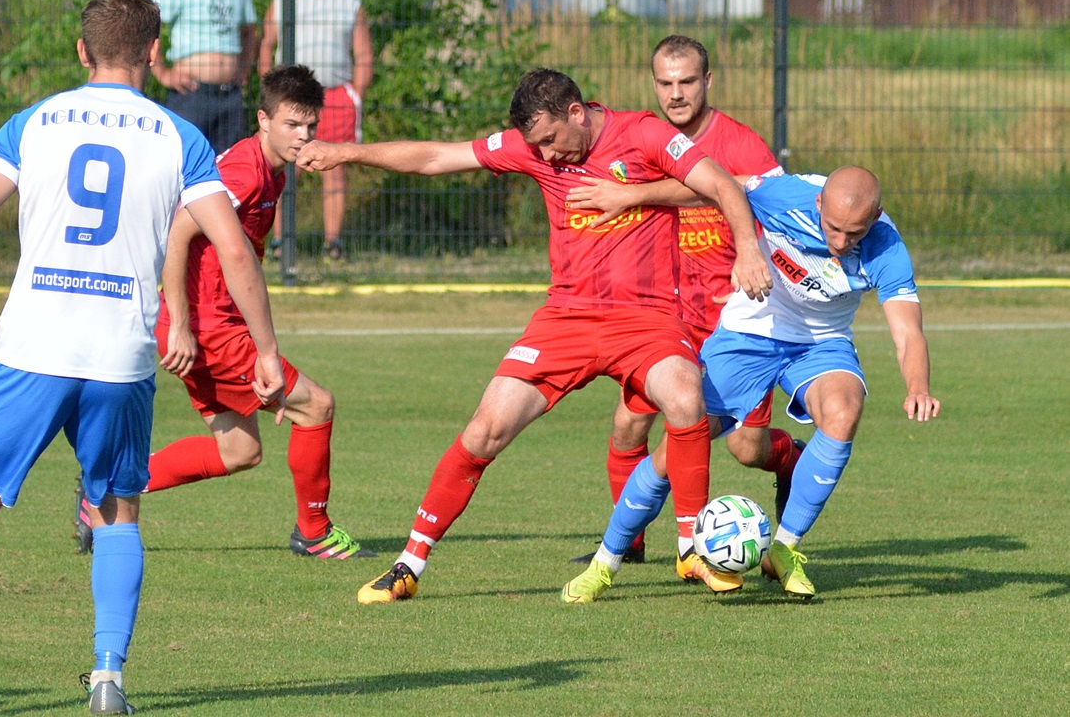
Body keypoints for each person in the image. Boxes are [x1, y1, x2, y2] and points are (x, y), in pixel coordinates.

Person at [0, 0, 284, 717]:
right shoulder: (179, 137)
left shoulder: (34, 123)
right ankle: (108, 676)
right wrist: (265, 349)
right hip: (120, 356)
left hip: (32, 349)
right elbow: (234, 249)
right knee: (116, 513)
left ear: (82, 52)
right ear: (153, 52)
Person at [297, 68, 774, 604]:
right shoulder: (534, 150)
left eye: (550, 140)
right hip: (566, 316)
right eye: (535, 145)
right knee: (485, 430)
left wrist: (745, 248)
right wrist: (345, 153)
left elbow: (719, 183)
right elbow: (436, 157)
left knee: (686, 397)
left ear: (576, 112)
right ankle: (409, 564)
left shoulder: (643, 134)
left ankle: (690, 548)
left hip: (645, 318)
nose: (545, 156)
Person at [561, 166, 940, 603]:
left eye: (854, 233)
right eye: (833, 228)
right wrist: (634, 196)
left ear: (874, 219)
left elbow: (908, 332)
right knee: (673, 453)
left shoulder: (887, 247)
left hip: (821, 344)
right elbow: (714, 187)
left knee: (843, 412)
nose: (840, 242)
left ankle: (784, 549)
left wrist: (918, 386)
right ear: (819, 204)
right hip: (748, 335)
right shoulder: (784, 195)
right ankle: (604, 564)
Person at [74, 64, 374, 560]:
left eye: (311, 126)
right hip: (206, 325)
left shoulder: (270, 171)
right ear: (263, 119)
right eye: (292, 125)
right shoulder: (243, 172)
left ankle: (101, 491)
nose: (304, 137)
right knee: (316, 406)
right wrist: (186, 327)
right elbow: (178, 232)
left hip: (208, 321)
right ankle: (314, 532)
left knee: (240, 452)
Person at [563, 35, 803, 568]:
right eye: (665, 83)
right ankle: (630, 543)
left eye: (687, 82)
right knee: (628, 425)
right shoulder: (642, 139)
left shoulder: (743, 146)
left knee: (745, 448)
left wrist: (752, 255)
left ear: (708, 81)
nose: (676, 94)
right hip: (667, 317)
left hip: (734, 319)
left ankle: (787, 461)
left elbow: (773, 211)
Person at [258, 0, 374, 261]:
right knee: (280, 166)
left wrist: (356, 96)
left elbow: (363, 53)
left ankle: (332, 242)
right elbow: (267, 44)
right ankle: (280, 241)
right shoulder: (283, 1)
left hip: (335, 95)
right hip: (290, 95)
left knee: (334, 169)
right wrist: (272, 89)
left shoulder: (349, 4)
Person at [151, 0, 258, 154]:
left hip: (229, 96)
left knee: (229, 170)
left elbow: (250, 31)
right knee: (183, 165)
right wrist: (162, 73)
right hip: (191, 94)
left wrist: (243, 69)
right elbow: (149, 25)